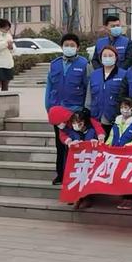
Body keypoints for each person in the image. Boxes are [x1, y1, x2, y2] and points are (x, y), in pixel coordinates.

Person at [45, 33, 89, 186]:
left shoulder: (84, 64)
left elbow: (87, 88)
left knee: (74, 144)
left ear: (77, 47)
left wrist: (84, 111)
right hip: (58, 111)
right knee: (60, 143)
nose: (69, 48)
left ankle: (74, 175)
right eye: (66, 45)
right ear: (62, 46)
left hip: (75, 111)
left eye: (72, 45)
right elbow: (49, 87)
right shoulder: (55, 64)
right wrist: (49, 109)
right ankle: (60, 174)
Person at [61, 108, 103, 210]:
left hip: (89, 161)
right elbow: (63, 135)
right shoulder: (71, 131)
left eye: (79, 122)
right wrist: (69, 142)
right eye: (74, 123)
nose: (76, 125)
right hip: (75, 162)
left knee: (87, 179)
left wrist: (96, 140)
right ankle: (75, 197)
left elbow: (99, 140)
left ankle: (87, 198)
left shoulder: (92, 131)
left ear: (84, 122)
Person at [107, 97, 132, 211]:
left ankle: (131, 199)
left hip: (130, 154)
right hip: (117, 154)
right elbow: (111, 137)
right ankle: (124, 197)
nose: (123, 110)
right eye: (121, 107)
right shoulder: (116, 122)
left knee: (130, 176)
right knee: (121, 176)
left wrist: (128, 146)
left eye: (126, 107)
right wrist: (107, 146)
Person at [88, 46, 126, 138]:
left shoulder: (123, 74)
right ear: (101, 58)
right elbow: (88, 96)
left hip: (115, 119)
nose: (107, 57)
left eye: (110, 55)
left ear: (116, 57)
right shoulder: (94, 74)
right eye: (105, 55)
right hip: (96, 119)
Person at [0, 19, 14, 91]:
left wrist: (11, 47)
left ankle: (5, 98)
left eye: (8, 29)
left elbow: (13, 49)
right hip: (0, 64)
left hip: (8, 64)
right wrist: (6, 44)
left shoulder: (9, 36)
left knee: (6, 83)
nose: (7, 30)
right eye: (5, 28)